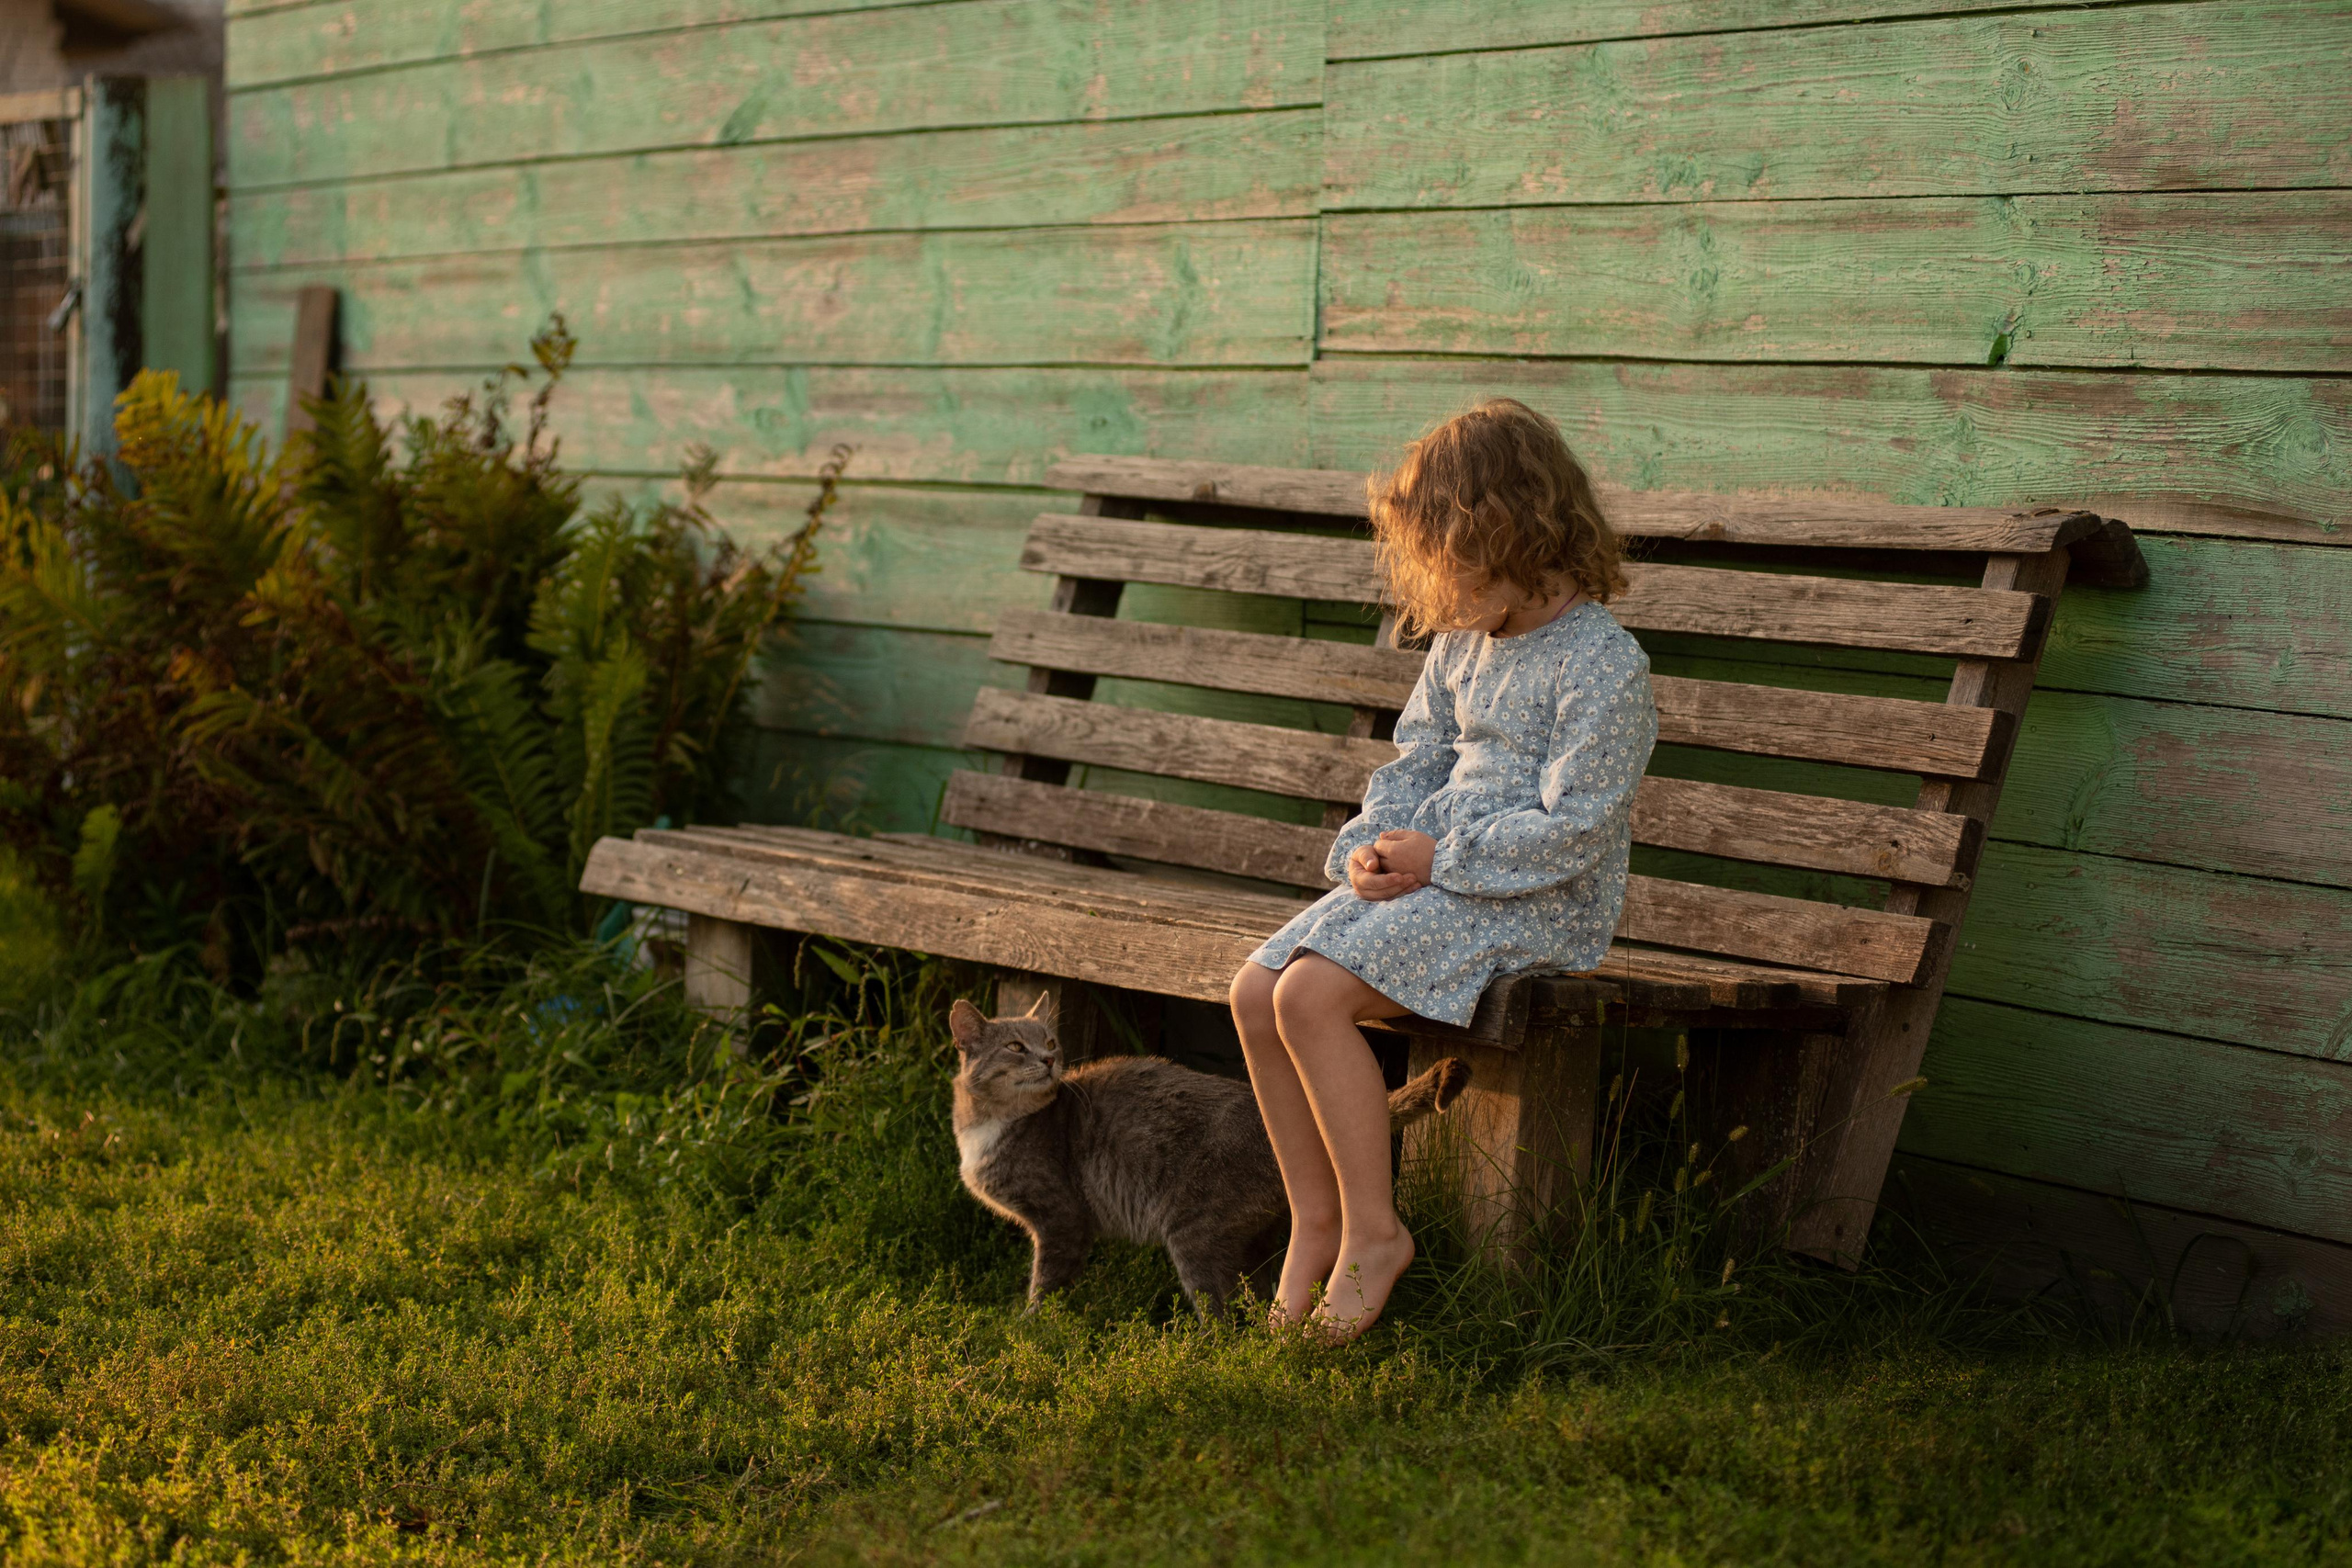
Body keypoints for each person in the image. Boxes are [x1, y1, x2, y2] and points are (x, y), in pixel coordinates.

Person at [1229, 398, 1657, 1342]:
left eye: (1445, 562)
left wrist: (1444, 858)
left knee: (1307, 998)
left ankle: (1377, 1234)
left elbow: (1576, 831)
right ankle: (1318, 1217)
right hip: (1436, 880)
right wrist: (1370, 848)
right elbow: (1417, 758)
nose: (1434, 588)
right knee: (1254, 990)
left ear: (1511, 533)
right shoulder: (1467, 640)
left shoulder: (1600, 664)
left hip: (1535, 901)